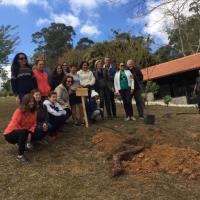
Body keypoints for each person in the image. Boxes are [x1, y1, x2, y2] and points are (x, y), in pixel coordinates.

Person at [3, 94, 37, 162]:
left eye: (33, 101)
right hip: (10, 133)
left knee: (31, 132)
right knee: (23, 132)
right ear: (25, 102)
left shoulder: (34, 111)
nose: (32, 103)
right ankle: (20, 156)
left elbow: (34, 123)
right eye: (30, 101)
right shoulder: (19, 111)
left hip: (24, 131)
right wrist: (26, 132)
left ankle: (21, 145)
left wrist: (30, 132)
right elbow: (15, 124)